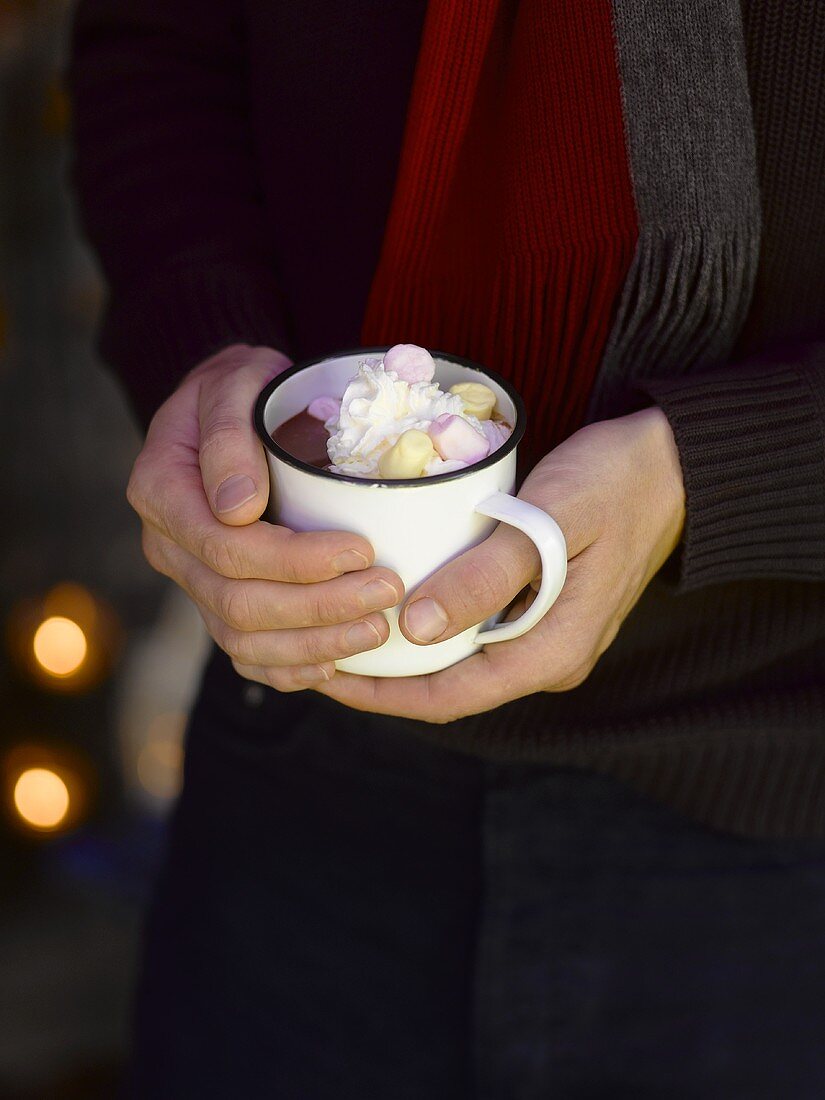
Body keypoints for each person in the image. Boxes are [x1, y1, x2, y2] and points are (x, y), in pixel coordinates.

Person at [70, 1, 825, 1096]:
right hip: (302, 753)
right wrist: (209, 353)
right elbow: (158, 51)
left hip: (772, 789)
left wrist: (718, 470)